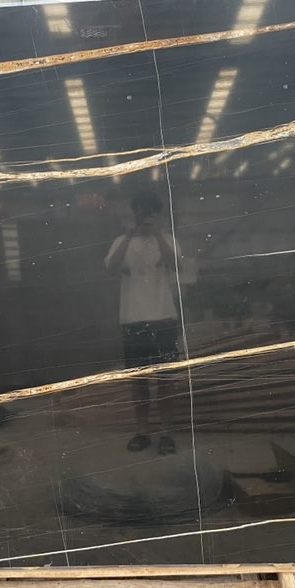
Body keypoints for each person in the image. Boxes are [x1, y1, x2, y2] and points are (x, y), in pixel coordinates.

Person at [104, 190, 181, 455]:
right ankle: (142, 431)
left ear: (158, 215)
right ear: (134, 213)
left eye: (150, 213)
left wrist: (158, 233)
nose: (144, 217)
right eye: (141, 212)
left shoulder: (167, 240)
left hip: (163, 317)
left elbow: (175, 264)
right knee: (138, 381)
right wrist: (128, 234)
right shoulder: (121, 242)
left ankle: (166, 433)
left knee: (165, 380)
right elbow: (110, 268)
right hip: (133, 319)